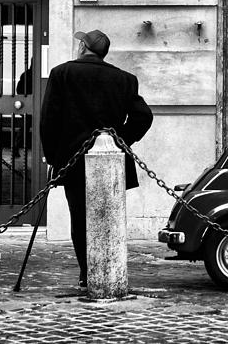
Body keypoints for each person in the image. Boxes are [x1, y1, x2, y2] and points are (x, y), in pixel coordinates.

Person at [40, 29, 153, 289]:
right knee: (108, 217)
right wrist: (118, 138)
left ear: (83, 47)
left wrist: (53, 156)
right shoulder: (124, 79)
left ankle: (86, 273)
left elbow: (49, 121)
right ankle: (108, 269)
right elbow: (143, 116)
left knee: (80, 218)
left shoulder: (62, 74)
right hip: (112, 159)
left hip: (73, 159)